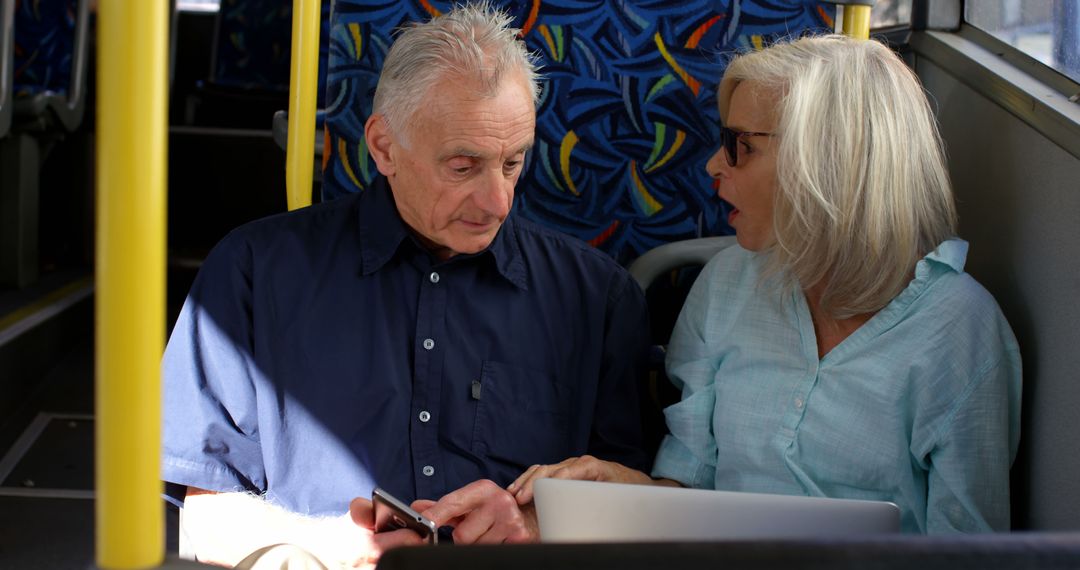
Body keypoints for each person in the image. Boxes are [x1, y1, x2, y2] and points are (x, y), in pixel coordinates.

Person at [161, 3, 650, 566]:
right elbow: (204, 516)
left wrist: (535, 524)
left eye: (513, 163)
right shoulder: (252, 273)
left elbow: (639, 503)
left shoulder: (597, 299)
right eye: (463, 166)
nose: (498, 202)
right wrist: (335, 549)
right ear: (384, 147)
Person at [509, 34, 1022, 534]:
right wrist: (614, 484)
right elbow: (689, 490)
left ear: (825, 159)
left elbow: (967, 548)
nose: (714, 165)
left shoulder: (959, 333)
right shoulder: (726, 285)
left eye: (741, 147)